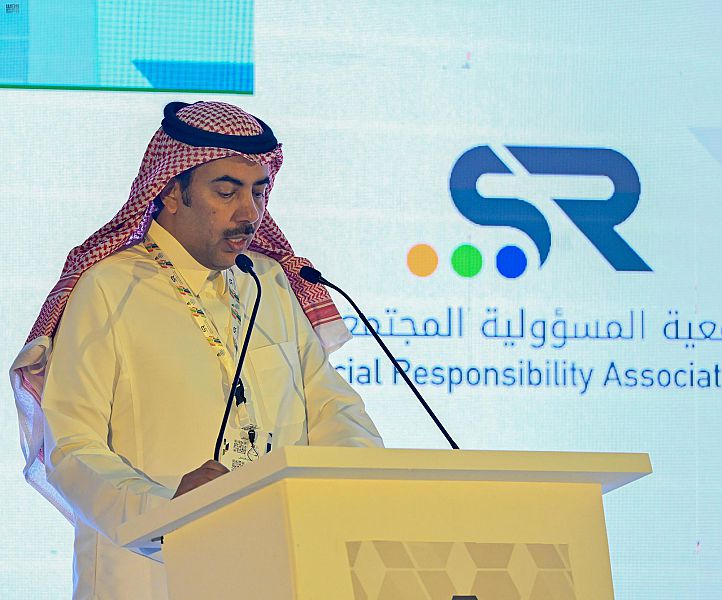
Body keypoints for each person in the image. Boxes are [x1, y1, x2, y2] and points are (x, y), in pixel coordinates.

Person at [10, 101, 383, 599]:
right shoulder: (108, 288)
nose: (250, 213)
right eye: (226, 191)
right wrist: (166, 509)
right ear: (169, 190)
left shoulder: (269, 282)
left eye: (258, 191)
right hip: (151, 576)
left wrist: (354, 484)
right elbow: (71, 447)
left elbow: (333, 407)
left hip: (274, 569)